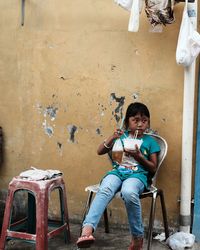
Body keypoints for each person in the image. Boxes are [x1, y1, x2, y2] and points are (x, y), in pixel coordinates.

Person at [76, 102, 160, 250]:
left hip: (138, 176)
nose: (140, 124)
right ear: (127, 121)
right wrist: (112, 137)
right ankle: (87, 230)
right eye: (135, 120)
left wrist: (139, 157)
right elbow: (100, 151)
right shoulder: (122, 137)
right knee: (106, 187)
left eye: (144, 120)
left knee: (128, 192)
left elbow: (153, 168)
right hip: (117, 172)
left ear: (148, 122)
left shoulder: (150, 142)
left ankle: (137, 238)